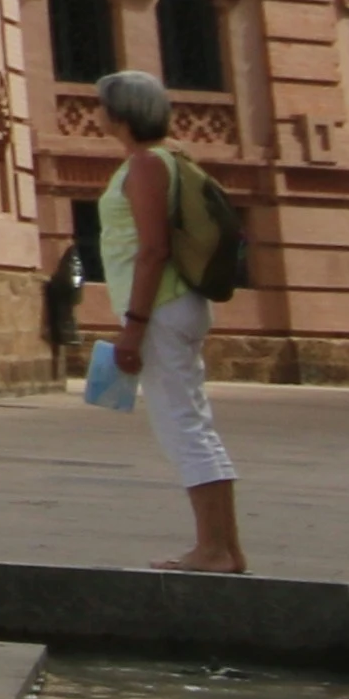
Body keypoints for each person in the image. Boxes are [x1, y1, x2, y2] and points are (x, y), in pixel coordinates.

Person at [95, 71, 245, 576]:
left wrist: (133, 326)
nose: (98, 111)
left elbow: (153, 249)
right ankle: (224, 548)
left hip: (160, 307)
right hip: (171, 306)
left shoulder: (145, 165)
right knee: (190, 421)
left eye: (103, 103)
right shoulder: (163, 159)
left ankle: (214, 549)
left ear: (121, 112)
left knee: (182, 424)